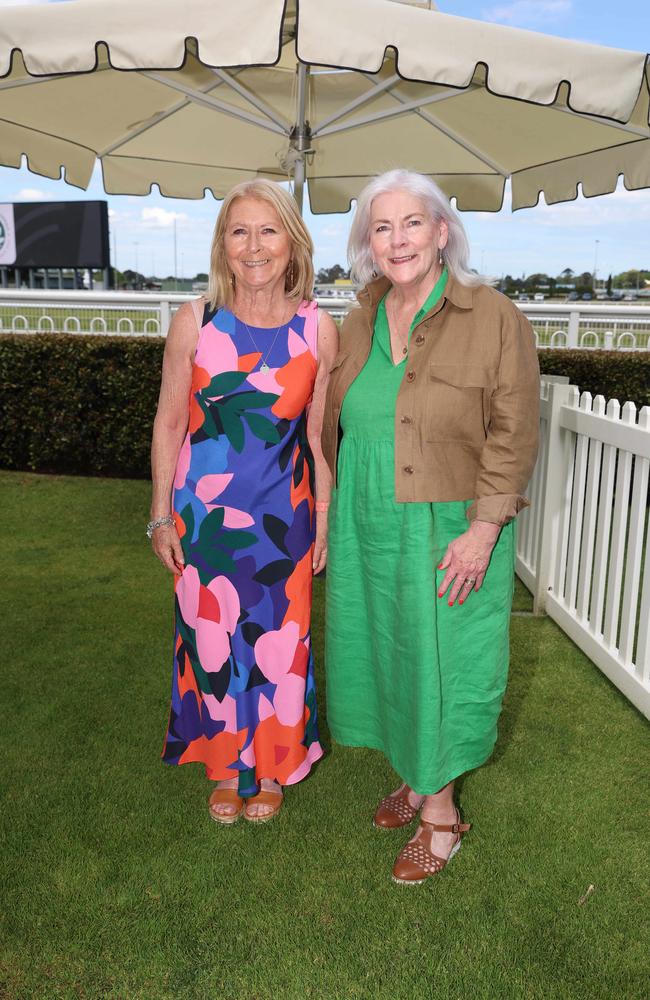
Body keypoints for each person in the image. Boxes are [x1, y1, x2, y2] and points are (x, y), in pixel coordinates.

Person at [322, 169, 539, 883]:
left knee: (443, 663)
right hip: (369, 518)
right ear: (367, 245)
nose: (397, 239)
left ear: (442, 231)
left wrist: (482, 531)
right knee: (390, 652)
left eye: (412, 222)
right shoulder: (359, 317)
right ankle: (417, 775)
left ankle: (440, 813)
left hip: (448, 524)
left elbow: (513, 431)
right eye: (380, 228)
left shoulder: (493, 315)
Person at [150, 179, 338, 824]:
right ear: (222, 246)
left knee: (280, 648)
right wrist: (158, 515)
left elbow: (317, 439)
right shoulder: (195, 320)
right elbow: (170, 423)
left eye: (268, 230)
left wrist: (327, 527)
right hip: (201, 520)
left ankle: (276, 768)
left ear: (292, 243)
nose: (254, 246)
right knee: (214, 640)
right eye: (239, 231)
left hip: (285, 523)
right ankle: (227, 767)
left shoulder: (318, 327)